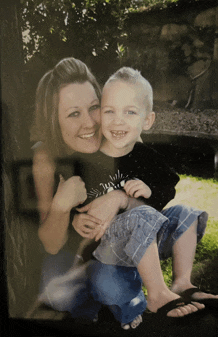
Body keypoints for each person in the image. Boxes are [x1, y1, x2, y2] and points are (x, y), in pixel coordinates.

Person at [64, 66, 218, 318]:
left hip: (148, 244)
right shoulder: (87, 162)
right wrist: (74, 217)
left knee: (185, 212)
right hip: (108, 254)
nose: (118, 120)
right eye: (109, 111)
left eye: (130, 112)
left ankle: (182, 283)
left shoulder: (146, 157)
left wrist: (150, 190)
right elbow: (72, 204)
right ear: (100, 115)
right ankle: (155, 294)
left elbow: (168, 188)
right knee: (113, 288)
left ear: (148, 121)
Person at [31, 57, 147, 330]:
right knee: (57, 293)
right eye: (73, 114)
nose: (90, 123)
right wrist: (61, 207)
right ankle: (96, 299)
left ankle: (122, 294)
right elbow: (50, 244)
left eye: (94, 107)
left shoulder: (120, 135)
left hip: (121, 244)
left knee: (113, 286)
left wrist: (120, 199)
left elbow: (152, 208)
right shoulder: (46, 157)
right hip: (75, 250)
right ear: (54, 120)